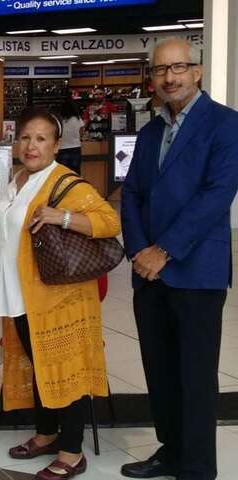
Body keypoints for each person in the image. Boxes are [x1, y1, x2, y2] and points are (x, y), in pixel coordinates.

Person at [120, 38, 238, 480]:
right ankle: (170, 452)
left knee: (195, 376)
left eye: (179, 68)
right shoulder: (150, 133)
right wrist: (138, 251)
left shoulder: (225, 125)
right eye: (160, 70)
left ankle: (196, 468)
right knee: (160, 372)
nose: (169, 78)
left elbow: (216, 196)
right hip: (147, 274)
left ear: (197, 71)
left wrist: (162, 250)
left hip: (195, 272)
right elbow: (130, 193)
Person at [0, 108, 120, 480]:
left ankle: (72, 452)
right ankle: (46, 435)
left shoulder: (66, 182)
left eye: (41, 138)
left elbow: (109, 222)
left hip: (58, 300)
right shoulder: (17, 179)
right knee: (41, 366)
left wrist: (60, 217)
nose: (31, 146)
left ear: (57, 145)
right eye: (25, 138)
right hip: (21, 296)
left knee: (69, 372)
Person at [57, 101, 84, 174]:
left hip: (62, 149)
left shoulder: (60, 120)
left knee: (63, 173)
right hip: (76, 148)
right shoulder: (77, 119)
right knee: (75, 172)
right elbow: (82, 132)